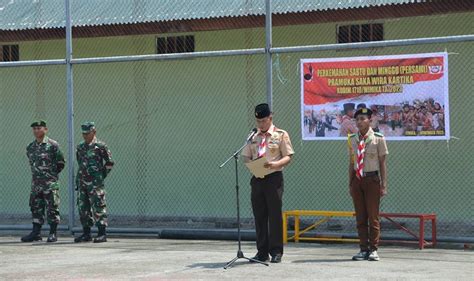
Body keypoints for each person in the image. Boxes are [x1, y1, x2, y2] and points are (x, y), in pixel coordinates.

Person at [242, 103, 294, 263]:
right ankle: (261, 251)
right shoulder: (253, 136)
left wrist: (276, 164)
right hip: (257, 178)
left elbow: (288, 155)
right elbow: (245, 155)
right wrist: (251, 165)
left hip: (273, 178)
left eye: (264, 121)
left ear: (270, 118)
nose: (261, 124)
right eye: (258, 121)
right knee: (259, 215)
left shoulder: (280, 134)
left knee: (274, 215)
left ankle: (276, 251)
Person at [348, 108, 388, 261]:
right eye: (357, 119)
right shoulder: (352, 139)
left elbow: (383, 163)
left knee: (373, 216)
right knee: (360, 217)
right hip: (357, 180)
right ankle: (363, 248)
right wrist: (350, 183)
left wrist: (384, 185)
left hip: (372, 180)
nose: (359, 122)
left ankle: (374, 249)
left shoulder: (378, 138)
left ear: (370, 120)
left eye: (363, 119)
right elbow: (352, 162)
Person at [22, 120, 65, 243]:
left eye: (39, 128)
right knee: (36, 208)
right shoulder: (31, 147)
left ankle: (52, 233)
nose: (36, 131)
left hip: (50, 183)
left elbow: (61, 163)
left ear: (45, 130)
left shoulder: (53, 145)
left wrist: (50, 175)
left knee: (52, 208)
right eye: (34, 128)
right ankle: (36, 233)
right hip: (36, 184)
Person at [74, 122, 114, 243]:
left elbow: (109, 163)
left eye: (88, 133)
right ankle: (87, 233)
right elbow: (80, 162)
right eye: (84, 133)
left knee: (98, 206)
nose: (85, 135)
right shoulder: (80, 147)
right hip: (82, 182)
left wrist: (100, 176)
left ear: (94, 132)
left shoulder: (101, 146)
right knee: (83, 207)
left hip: (95, 184)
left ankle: (102, 233)